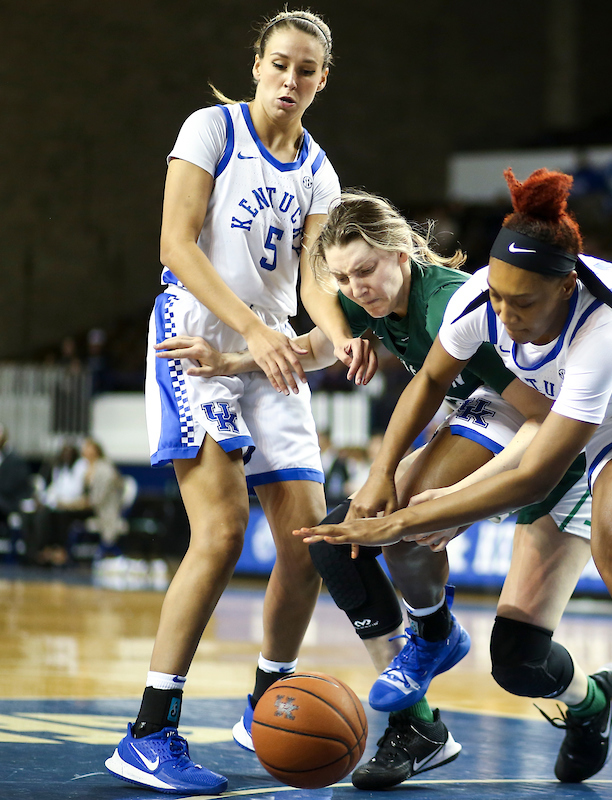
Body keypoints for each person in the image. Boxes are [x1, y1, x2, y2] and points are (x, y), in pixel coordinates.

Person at [161, 189, 612, 791]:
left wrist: (462, 496)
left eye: (366, 271)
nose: (356, 289)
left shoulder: (442, 308)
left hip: (572, 441)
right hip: (498, 418)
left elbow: (541, 417)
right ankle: (422, 709)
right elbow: (319, 346)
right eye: (345, 279)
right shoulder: (373, 301)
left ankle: (584, 699)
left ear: (402, 252)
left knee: (511, 649)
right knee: (339, 541)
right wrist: (229, 363)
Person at [298, 168, 612, 800]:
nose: (505, 316)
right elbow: (429, 381)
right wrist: (383, 476)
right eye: (497, 299)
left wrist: (412, 518)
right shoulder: (477, 300)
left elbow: (539, 468)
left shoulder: (606, 321)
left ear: (565, 288)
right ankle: (594, 701)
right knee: (518, 660)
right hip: (546, 424)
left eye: (523, 304)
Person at [104, 11, 371, 795]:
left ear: (324, 80)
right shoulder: (211, 129)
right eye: (281, 64)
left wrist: (341, 332)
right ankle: (149, 732)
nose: (292, 80)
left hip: (270, 354)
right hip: (196, 343)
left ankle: (266, 704)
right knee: (219, 534)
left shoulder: (319, 169)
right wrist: (254, 330)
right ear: (256, 64)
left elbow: (317, 282)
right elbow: (175, 244)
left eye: (308, 71)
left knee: (307, 544)